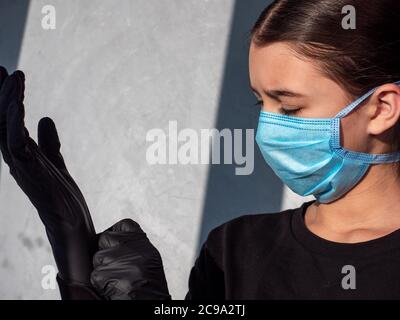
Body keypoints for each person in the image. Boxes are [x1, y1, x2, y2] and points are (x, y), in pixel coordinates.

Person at [1, 0, 400, 299]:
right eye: (262, 103)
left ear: (381, 108)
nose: (267, 128)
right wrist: (79, 267)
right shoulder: (234, 250)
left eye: (290, 106)